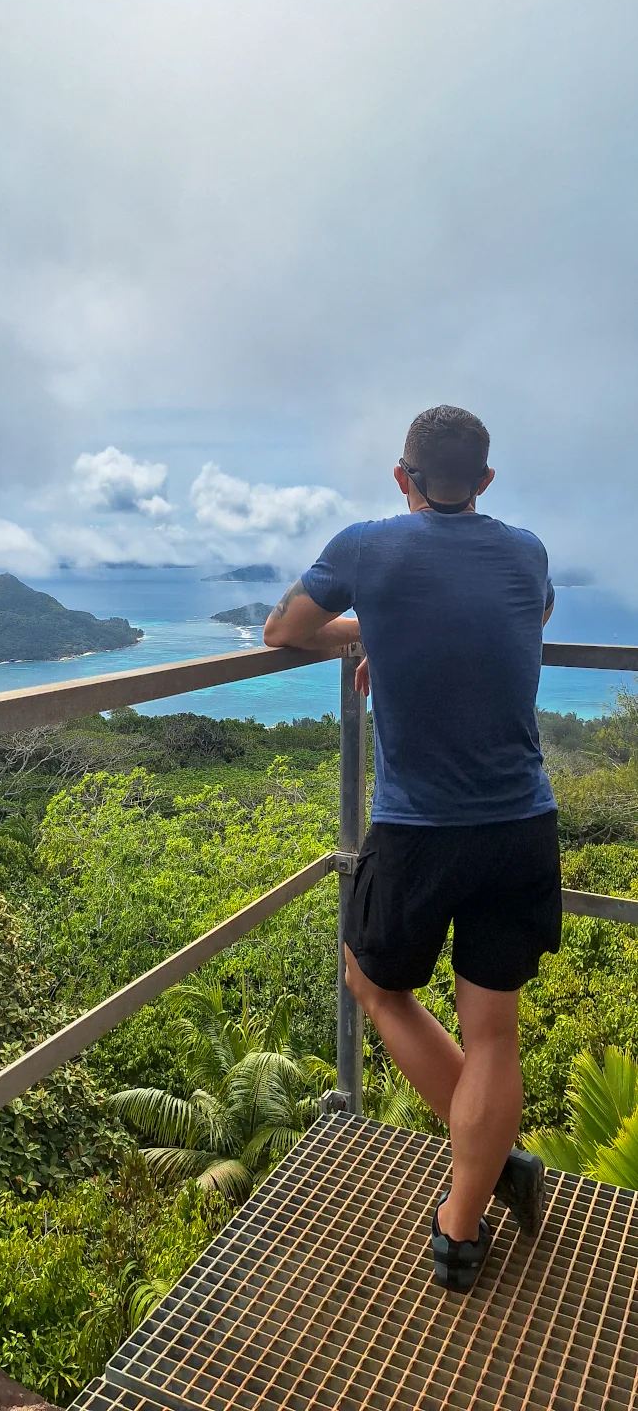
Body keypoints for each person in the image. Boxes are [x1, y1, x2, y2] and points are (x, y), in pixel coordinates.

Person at [263, 404, 560, 1293]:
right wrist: (386, 637)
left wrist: (371, 634)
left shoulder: (368, 545)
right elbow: (521, 620)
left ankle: (490, 1161)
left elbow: (285, 628)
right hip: (520, 824)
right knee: (494, 1032)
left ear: (404, 476)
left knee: (372, 983)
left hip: (420, 831)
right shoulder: (529, 550)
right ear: (486, 481)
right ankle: (462, 1226)